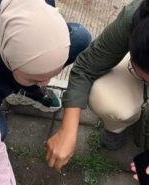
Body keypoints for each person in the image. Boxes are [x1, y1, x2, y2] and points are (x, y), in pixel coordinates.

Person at [0, 0, 91, 185]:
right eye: (35, 78)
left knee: (79, 37)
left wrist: (32, 77)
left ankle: (26, 90)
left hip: (14, 68)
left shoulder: (37, 5)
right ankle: (15, 92)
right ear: (6, 55)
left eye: (53, 73)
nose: (46, 82)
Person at [46, 0, 149, 174]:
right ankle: (117, 128)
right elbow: (86, 67)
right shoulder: (135, 17)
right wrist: (68, 130)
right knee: (103, 96)